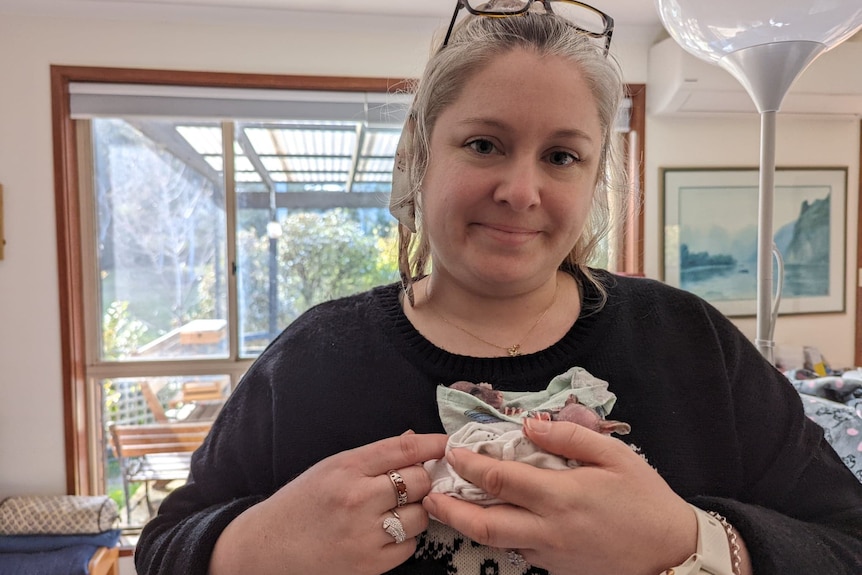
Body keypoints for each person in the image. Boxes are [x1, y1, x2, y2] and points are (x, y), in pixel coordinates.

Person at [135, 1, 862, 574]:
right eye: (483, 144)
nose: (520, 190)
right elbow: (163, 545)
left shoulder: (691, 342)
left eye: (561, 155)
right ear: (422, 155)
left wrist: (690, 542)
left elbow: (846, 541)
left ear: (594, 176)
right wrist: (250, 549)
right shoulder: (309, 359)